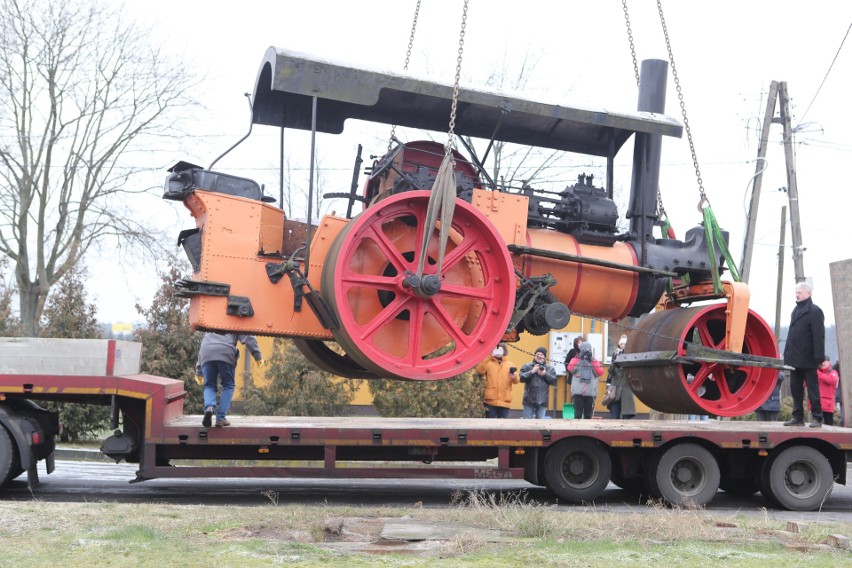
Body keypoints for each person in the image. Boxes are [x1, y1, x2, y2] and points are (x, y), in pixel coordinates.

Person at [195, 332, 263, 428]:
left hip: (206, 354)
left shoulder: (211, 321)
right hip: (226, 353)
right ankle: (220, 418)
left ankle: (209, 407)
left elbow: (203, 346)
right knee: (228, 385)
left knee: (209, 385)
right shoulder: (234, 319)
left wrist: (199, 371)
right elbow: (248, 337)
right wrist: (257, 355)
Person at [783, 282, 825, 428]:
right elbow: (791, 334)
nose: (797, 294)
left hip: (808, 357)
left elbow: (819, 335)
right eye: (796, 292)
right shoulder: (795, 310)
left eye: (799, 292)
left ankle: (817, 418)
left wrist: (820, 357)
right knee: (795, 387)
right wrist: (786, 355)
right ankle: (798, 417)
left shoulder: (814, 310)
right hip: (794, 358)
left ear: (809, 293)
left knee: (812, 389)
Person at [475, 342, 519, 418]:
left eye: (500, 349)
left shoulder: (510, 364)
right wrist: (489, 355)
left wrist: (514, 377)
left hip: (505, 401)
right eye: (496, 349)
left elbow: (517, 380)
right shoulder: (488, 362)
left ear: (504, 351)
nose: (498, 351)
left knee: (502, 425)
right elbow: (480, 370)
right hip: (490, 400)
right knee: (489, 424)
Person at [566, 341, 603, 419]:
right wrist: (579, 358)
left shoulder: (594, 360)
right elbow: (570, 368)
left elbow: (599, 372)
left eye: (588, 349)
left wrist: (592, 360)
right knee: (577, 415)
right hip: (577, 392)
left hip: (590, 393)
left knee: (588, 416)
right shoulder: (575, 359)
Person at [520, 347, 558, 419]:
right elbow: (521, 378)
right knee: (527, 423)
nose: (539, 356)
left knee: (540, 424)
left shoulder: (550, 368)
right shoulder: (527, 366)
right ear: (534, 355)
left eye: (541, 355)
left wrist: (545, 374)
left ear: (544, 357)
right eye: (537, 354)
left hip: (542, 400)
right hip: (529, 400)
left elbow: (554, 381)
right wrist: (532, 372)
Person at [605, 335, 636, 419]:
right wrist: (615, 362)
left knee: (626, 417)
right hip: (615, 391)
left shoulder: (631, 355)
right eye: (621, 344)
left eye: (625, 344)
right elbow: (610, 372)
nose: (623, 346)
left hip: (626, 390)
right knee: (615, 416)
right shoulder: (615, 354)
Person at [816, 358, 839, 426]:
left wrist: (818, 373)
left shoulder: (833, 372)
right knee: (816, 425)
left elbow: (831, 380)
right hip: (818, 403)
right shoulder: (818, 372)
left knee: (829, 424)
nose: (822, 363)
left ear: (829, 362)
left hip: (828, 404)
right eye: (821, 362)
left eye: (824, 361)